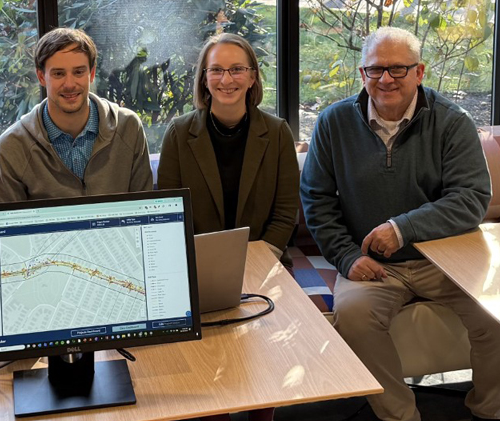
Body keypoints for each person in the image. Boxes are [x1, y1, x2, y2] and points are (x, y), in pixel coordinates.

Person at [300, 26, 500, 421]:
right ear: (362, 73)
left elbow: (472, 198)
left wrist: (403, 228)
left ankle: (490, 409)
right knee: (354, 318)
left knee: (495, 316)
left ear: (419, 72)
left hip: (447, 259)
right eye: (375, 69)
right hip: (375, 266)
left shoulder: (452, 121)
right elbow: (316, 201)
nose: (386, 79)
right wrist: (346, 257)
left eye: (398, 69)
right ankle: (400, 416)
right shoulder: (333, 123)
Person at [158, 33, 299, 421]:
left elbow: (285, 212)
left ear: (252, 77)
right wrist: (200, 268)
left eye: (237, 69)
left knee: (266, 352)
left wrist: (256, 262)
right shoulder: (179, 134)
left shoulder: (277, 133)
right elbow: (169, 216)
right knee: (207, 362)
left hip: (266, 261)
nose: (227, 79)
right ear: (204, 79)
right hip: (195, 269)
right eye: (216, 70)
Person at [0, 27, 153, 203]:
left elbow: (145, 209)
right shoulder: (12, 146)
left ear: (91, 74)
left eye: (78, 72)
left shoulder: (128, 127)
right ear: (41, 77)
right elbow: (7, 221)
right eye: (58, 74)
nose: (69, 84)